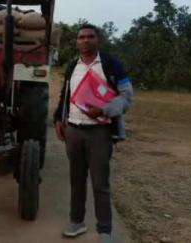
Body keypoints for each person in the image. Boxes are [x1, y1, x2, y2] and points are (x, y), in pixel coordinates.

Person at [53, 24, 133, 242]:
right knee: (76, 181)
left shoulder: (111, 64)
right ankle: (77, 223)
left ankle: (105, 231)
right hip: (74, 132)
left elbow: (127, 97)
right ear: (77, 42)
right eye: (81, 37)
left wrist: (105, 110)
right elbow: (65, 95)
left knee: (100, 184)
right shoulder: (72, 66)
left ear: (98, 40)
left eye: (90, 36)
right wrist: (59, 119)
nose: (85, 40)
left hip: (100, 132)